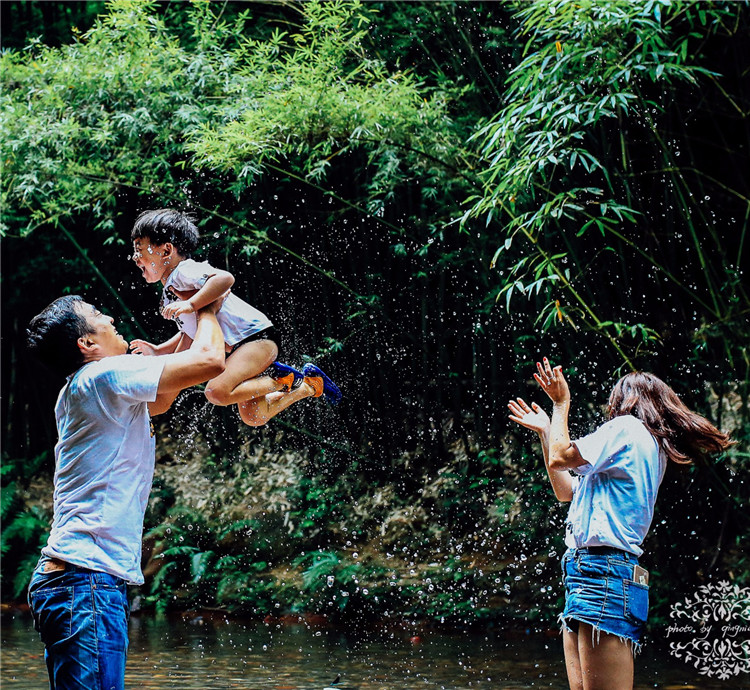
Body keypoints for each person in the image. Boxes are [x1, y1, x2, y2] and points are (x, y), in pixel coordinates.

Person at [25, 292, 227, 689]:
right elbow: (210, 361)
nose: (110, 317)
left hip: (79, 581)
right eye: (97, 314)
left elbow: (163, 397)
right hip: (85, 581)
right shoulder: (104, 375)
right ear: (87, 343)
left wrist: (189, 324)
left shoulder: (87, 387)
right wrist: (204, 303)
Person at [508, 358, 733, 690]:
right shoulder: (642, 448)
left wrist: (560, 404)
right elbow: (565, 491)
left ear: (626, 400)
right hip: (588, 572)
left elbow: (561, 456)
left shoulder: (626, 429)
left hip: (604, 571)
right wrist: (546, 431)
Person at [129, 208, 340, 427]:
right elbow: (189, 333)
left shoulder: (184, 271)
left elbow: (224, 279)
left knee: (216, 391)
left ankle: (284, 380)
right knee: (254, 416)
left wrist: (191, 304)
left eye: (138, 249)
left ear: (166, 251)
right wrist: (160, 350)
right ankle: (309, 385)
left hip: (255, 339)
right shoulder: (171, 289)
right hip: (243, 349)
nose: (135, 258)